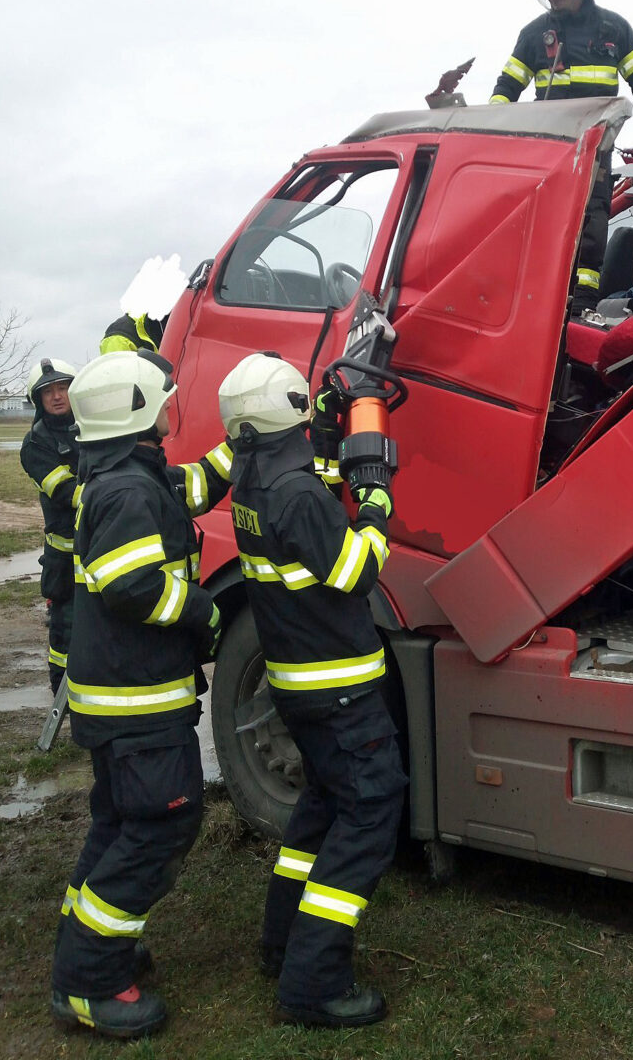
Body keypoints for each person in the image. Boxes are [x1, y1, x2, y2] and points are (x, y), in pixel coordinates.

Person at [218, 352, 406, 1028]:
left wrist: (326, 437)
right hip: (341, 692)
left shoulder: (253, 477)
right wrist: (378, 498)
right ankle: (313, 983)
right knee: (369, 811)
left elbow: (309, 504)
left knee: (322, 810)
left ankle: (282, 941)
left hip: (300, 686)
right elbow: (355, 568)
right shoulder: (295, 495)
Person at [51, 348, 230, 1040]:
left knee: (120, 823)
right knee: (161, 824)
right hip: (137, 702)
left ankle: (88, 942)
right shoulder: (126, 491)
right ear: (137, 411)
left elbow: (184, 490)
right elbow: (134, 587)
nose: (169, 408)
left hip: (120, 699)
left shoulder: (126, 474)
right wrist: (202, 612)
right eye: (160, 400)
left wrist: (242, 451)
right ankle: (91, 980)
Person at [490, 0, 633, 313]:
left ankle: (583, 302)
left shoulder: (613, 30)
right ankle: (540, 294)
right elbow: (506, 87)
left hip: (595, 149)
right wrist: (493, 131)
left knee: (592, 220)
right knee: (542, 222)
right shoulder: (535, 35)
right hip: (549, 153)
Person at [19, 358, 80, 693]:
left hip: (102, 545)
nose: (57, 396)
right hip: (65, 557)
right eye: (48, 392)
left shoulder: (92, 426)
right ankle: (62, 697)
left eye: (63, 387)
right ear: (37, 399)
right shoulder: (35, 444)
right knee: (65, 632)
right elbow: (66, 491)